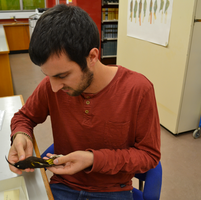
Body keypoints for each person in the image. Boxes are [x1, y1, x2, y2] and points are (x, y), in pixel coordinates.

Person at [8, 4, 160, 200]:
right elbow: (24, 117)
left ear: (92, 57)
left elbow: (149, 156)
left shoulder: (138, 90)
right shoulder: (50, 86)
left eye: (63, 75)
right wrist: (21, 136)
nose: (54, 87)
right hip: (63, 184)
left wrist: (92, 159)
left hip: (113, 189)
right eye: (48, 75)